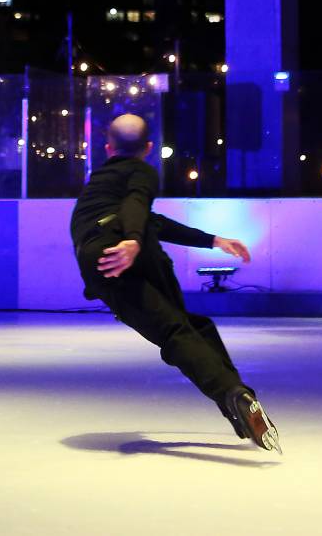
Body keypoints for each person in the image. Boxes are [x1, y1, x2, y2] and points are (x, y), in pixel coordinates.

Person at [70, 113, 281, 453]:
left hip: (101, 256)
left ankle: (234, 395)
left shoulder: (100, 184)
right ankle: (235, 394)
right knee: (182, 328)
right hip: (127, 247)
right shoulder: (141, 172)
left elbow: (142, 214)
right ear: (149, 147)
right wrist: (134, 239)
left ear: (108, 148)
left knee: (179, 330)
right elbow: (138, 208)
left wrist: (211, 239)